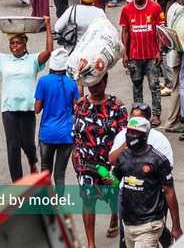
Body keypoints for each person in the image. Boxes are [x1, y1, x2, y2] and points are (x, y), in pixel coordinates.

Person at [0, 15, 54, 181]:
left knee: (28, 145)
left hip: (27, 109)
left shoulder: (33, 60)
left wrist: (48, 25)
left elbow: (48, 51)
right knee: (13, 147)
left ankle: (32, 162)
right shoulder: (4, 60)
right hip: (9, 109)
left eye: (18, 43)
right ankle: (17, 184)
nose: (15, 46)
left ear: (25, 44)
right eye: (12, 43)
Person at [72, 74, 127, 248]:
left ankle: (114, 216)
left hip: (110, 163)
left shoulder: (116, 106)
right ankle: (91, 243)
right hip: (86, 162)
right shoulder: (81, 105)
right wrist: (77, 159)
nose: (93, 88)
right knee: (88, 200)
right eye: (90, 85)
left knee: (112, 195)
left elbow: (125, 136)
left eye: (97, 84)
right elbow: (76, 134)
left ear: (105, 82)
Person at [110, 116, 183, 245]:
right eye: (129, 132)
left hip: (149, 224)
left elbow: (169, 192)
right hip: (128, 223)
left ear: (145, 135)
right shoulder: (123, 157)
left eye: (135, 133)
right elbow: (116, 180)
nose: (130, 136)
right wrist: (108, 181)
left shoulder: (158, 160)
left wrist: (176, 227)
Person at [120, 0, 166, 122]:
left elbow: (160, 31)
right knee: (137, 85)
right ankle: (139, 115)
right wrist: (125, 53)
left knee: (154, 85)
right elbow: (125, 32)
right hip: (134, 55)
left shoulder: (155, 8)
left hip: (152, 55)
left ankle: (156, 115)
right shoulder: (126, 10)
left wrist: (159, 51)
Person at [34, 48, 80, 188]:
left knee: (45, 171)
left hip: (47, 134)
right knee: (60, 174)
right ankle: (60, 204)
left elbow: (37, 109)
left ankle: (46, 204)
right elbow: (77, 109)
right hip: (66, 135)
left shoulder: (43, 82)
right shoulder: (72, 83)